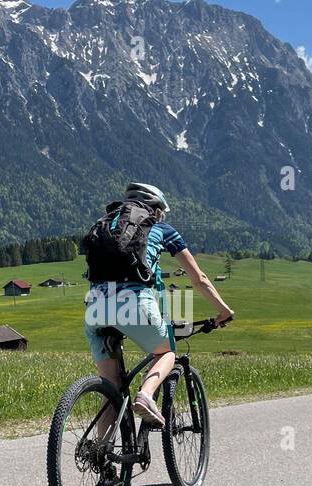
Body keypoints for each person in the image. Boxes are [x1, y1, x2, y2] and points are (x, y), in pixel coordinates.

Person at [83, 182, 234, 430]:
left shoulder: (106, 226)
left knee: (110, 391)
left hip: (94, 305)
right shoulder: (162, 229)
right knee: (166, 352)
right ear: (157, 209)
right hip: (132, 301)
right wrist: (224, 311)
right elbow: (199, 279)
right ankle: (146, 394)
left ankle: (100, 454)